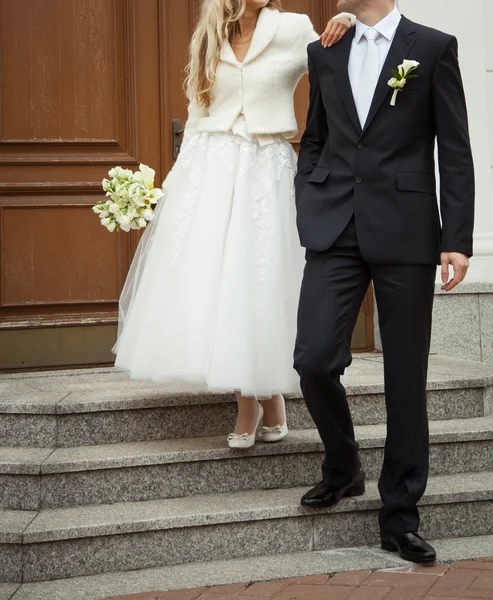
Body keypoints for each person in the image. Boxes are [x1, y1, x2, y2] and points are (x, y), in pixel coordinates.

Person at [114, 0, 356, 449]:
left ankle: (268, 399)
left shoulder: (292, 27)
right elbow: (197, 111)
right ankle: (252, 403)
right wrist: (174, 185)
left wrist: (351, 21)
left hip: (267, 168)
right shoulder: (209, 36)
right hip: (212, 168)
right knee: (221, 286)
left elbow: (342, 63)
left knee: (258, 283)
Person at [294, 0, 474, 563]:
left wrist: (457, 237)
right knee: (314, 358)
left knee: (404, 377)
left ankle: (399, 515)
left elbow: (456, 149)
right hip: (335, 226)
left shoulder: (433, 46)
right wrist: (309, 197)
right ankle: (343, 466)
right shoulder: (326, 47)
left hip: (407, 229)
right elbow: (316, 135)